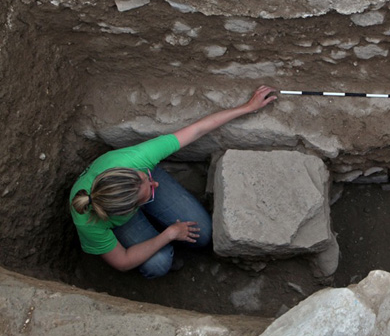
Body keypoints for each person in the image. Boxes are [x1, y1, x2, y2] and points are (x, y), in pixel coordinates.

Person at [70, 85, 277, 279]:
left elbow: (197, 130)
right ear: (129, 210)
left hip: (130, 191)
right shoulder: (89, 222)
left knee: (202, 234)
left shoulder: (135, 161)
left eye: (147, 178)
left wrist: (247, 107)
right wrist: (169, 235)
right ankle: (164, 249)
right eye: (149, 193)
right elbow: (123, 261)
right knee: (158, 264)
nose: (156, 185)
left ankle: (159, 224)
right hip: (121, 211)